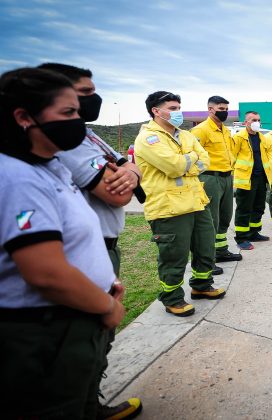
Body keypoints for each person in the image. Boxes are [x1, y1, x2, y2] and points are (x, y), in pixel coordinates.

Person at [0, 67, 126, 418]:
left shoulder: (49, 166)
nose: (78, 120)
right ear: (24, 117)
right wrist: (105, 305)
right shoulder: (17, 178)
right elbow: (46, 274)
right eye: (68, 113)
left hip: (73, 319)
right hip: (45, 328)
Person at [39, 63, 143, 419]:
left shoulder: (87, 134)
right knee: (81, 342)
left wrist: (130, 170)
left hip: (102, 246)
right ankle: (81, 407)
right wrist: (126, 174)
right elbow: (116, 194)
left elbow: (125, 169)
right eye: (82, 95)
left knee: (94, 341)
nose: (92, 99)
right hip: (83, 250)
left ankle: (89, 405)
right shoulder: (66, 142)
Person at [134, 91, 226, 317]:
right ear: (156, 111)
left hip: (196, 201)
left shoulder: (184, 135)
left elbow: (205, 160)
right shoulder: (148, 138)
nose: (178, 112)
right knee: (174, 255)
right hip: (169, 207)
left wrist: (188, 161)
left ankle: (201, 286)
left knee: (205, 247)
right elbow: (174, 166)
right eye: (173, 108)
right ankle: (172, 298)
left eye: (178, 107)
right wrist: (190, 158)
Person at [191, 96, 242, 269]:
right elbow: (194, 156)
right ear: (210, 109)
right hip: (210, 178)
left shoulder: (225, 130)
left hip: (227, 177)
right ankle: (208, 259)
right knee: (210, 220)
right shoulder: (201, 130)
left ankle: (221, 251)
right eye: (221, 108)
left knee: (225, 217)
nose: (225, 112)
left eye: (226, 108)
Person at [232, 111, 270, 249]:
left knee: (259, 207)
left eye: (259, 120)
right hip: (246, 179)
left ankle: (254, 233)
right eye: (253, 119)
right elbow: (232, 157)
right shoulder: (238, 138)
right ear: (245, 122)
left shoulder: (262, 138)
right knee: (244, 208)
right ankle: (241, 238)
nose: (257, 122)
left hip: (261, 178)